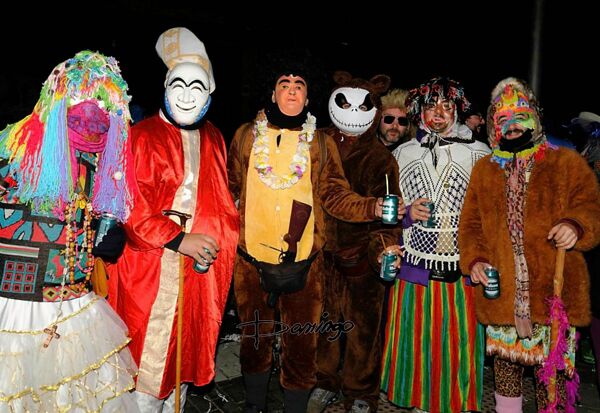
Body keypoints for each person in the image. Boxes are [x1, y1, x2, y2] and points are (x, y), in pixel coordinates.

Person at [228, 64, 396, 413]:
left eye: (299, 85)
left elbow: (335, 195)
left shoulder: (320, 142)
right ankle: (254, 404)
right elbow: (229, 191)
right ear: (273, 93)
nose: (291, 89)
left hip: (305, 265)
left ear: (307, 98)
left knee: (302, 344)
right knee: (254, 339)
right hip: (250, 261)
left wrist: (373, 207)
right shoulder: (245, 136)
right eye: (284, 83)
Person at [108, 27, 239, 411]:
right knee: (147, 364)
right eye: (177, 84)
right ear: (164, 88)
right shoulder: (141, 136)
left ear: (209, 94)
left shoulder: (214, 136)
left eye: (197, 87)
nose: (186, 94)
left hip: (197, 273)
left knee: (183, 354)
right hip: (150, 269)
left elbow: (219, 196)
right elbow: (131, 206)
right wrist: (180, 239)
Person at [0, 50, 139, 412]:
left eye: (102, 101)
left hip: (72, 304)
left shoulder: (101, 161)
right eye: (80, 94)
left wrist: (106, 229)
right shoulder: (12, 147)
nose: (92, 110)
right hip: (15, 304)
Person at [459, 78, 600, 412]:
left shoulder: (565, 162)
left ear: (535, 118)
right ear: (493, 126)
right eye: (502, 119)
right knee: (506, 373)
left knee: (552, 380)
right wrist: (476, 261)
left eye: (519, 116)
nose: (512, 125)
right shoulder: (484, 170)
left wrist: (574, 225)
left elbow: (590, 205)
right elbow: (472, 225)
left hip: (554, 298)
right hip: (503, 294)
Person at [380, 76, 489, 412]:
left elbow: (489, 215)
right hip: (414, 269)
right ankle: (419, 402)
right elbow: (387, 212)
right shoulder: (402, 154)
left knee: (457, 343)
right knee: (416, 341)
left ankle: (453, 403)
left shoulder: (479, 154)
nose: (438, 113)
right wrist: (407, 215)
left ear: (457, 110)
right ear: (420, 111)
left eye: (446, 106)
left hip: (460, 270)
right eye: (431, 106)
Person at [307, 71, 403, 413]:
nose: (352, 112)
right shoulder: (315, 141)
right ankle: (324, 382)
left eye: (363, 106)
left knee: (364, 329)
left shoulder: (381, 158)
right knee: (325, 324)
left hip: (362, 255)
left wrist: (385, 248)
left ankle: (361, 392)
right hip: (320, 253)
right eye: (345, 103)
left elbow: (389, 214)